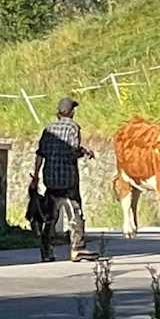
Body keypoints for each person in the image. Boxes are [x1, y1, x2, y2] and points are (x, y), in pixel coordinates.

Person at [30, 97, 93, 263]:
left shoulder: (48, 129)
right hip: (68, 179)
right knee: (75, 213)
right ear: (71, 112)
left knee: (50, 217)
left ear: (58, 112)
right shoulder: (73, 127)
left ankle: (46, 252)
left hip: (50, 179)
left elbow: (40, 154)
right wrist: (84, 152)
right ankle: (77, 249)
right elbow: (73, 151)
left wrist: (36, 176)